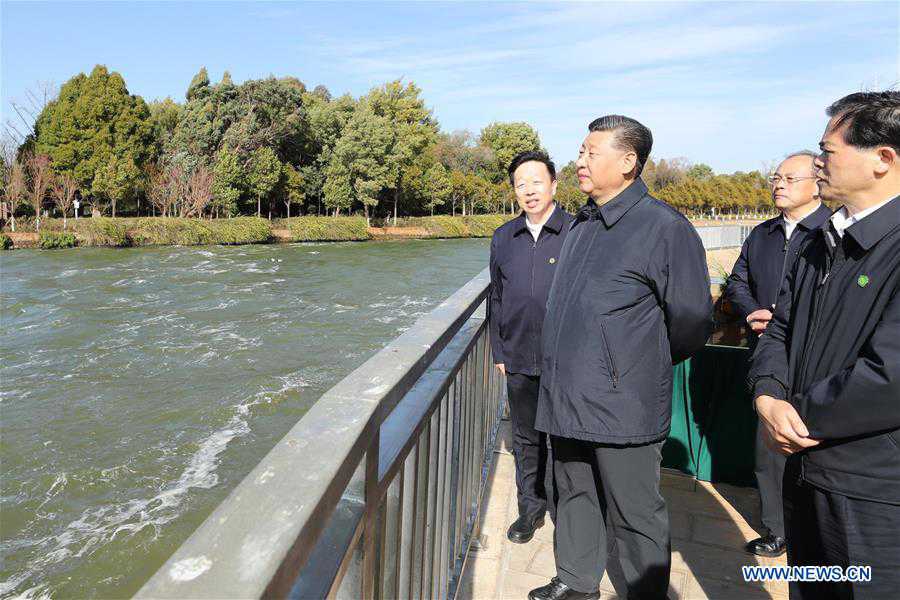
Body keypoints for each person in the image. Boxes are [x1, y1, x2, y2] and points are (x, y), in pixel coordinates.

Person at [528, 116, 713, 600]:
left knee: (635, 511)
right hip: (567, 394)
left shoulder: (664, 228)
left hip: (623, 401)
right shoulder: (583, 223)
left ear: (628, 161)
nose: (580, 161)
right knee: (574, 492)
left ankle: (644, 591)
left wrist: (633, 362)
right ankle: (576, 580)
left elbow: (692, 322)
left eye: (591, 152)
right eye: (580, 151)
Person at [749, 90, 900, 599]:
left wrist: (796, 417)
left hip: (874, 490)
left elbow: (889, 375)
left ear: (883, 159)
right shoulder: (819, 242)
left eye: (828, 151)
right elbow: (780, 329)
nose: (819, 162)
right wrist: (767, 395)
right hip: (805, 471)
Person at [724, 151, 832, 558]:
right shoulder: (762, 234)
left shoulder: (832, 233)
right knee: (768, 445)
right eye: (776, 177)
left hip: (817, 358)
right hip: (767, 356)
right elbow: (737, 281)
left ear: (817, 184)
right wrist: (752, 310)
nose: (779, 185)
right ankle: (777, 529)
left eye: (789, 178)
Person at [489, 151, 572, 544]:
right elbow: (497, 298)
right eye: (520, 184)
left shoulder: (577, 231)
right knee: (526, 437)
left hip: (567, 359)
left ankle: (569, 511)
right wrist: (499, 351)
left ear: (554, 184)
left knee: (567, 438)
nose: (529, 190)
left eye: (537, 181)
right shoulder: (504, 237)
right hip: (519, 355)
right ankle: (531, 509)